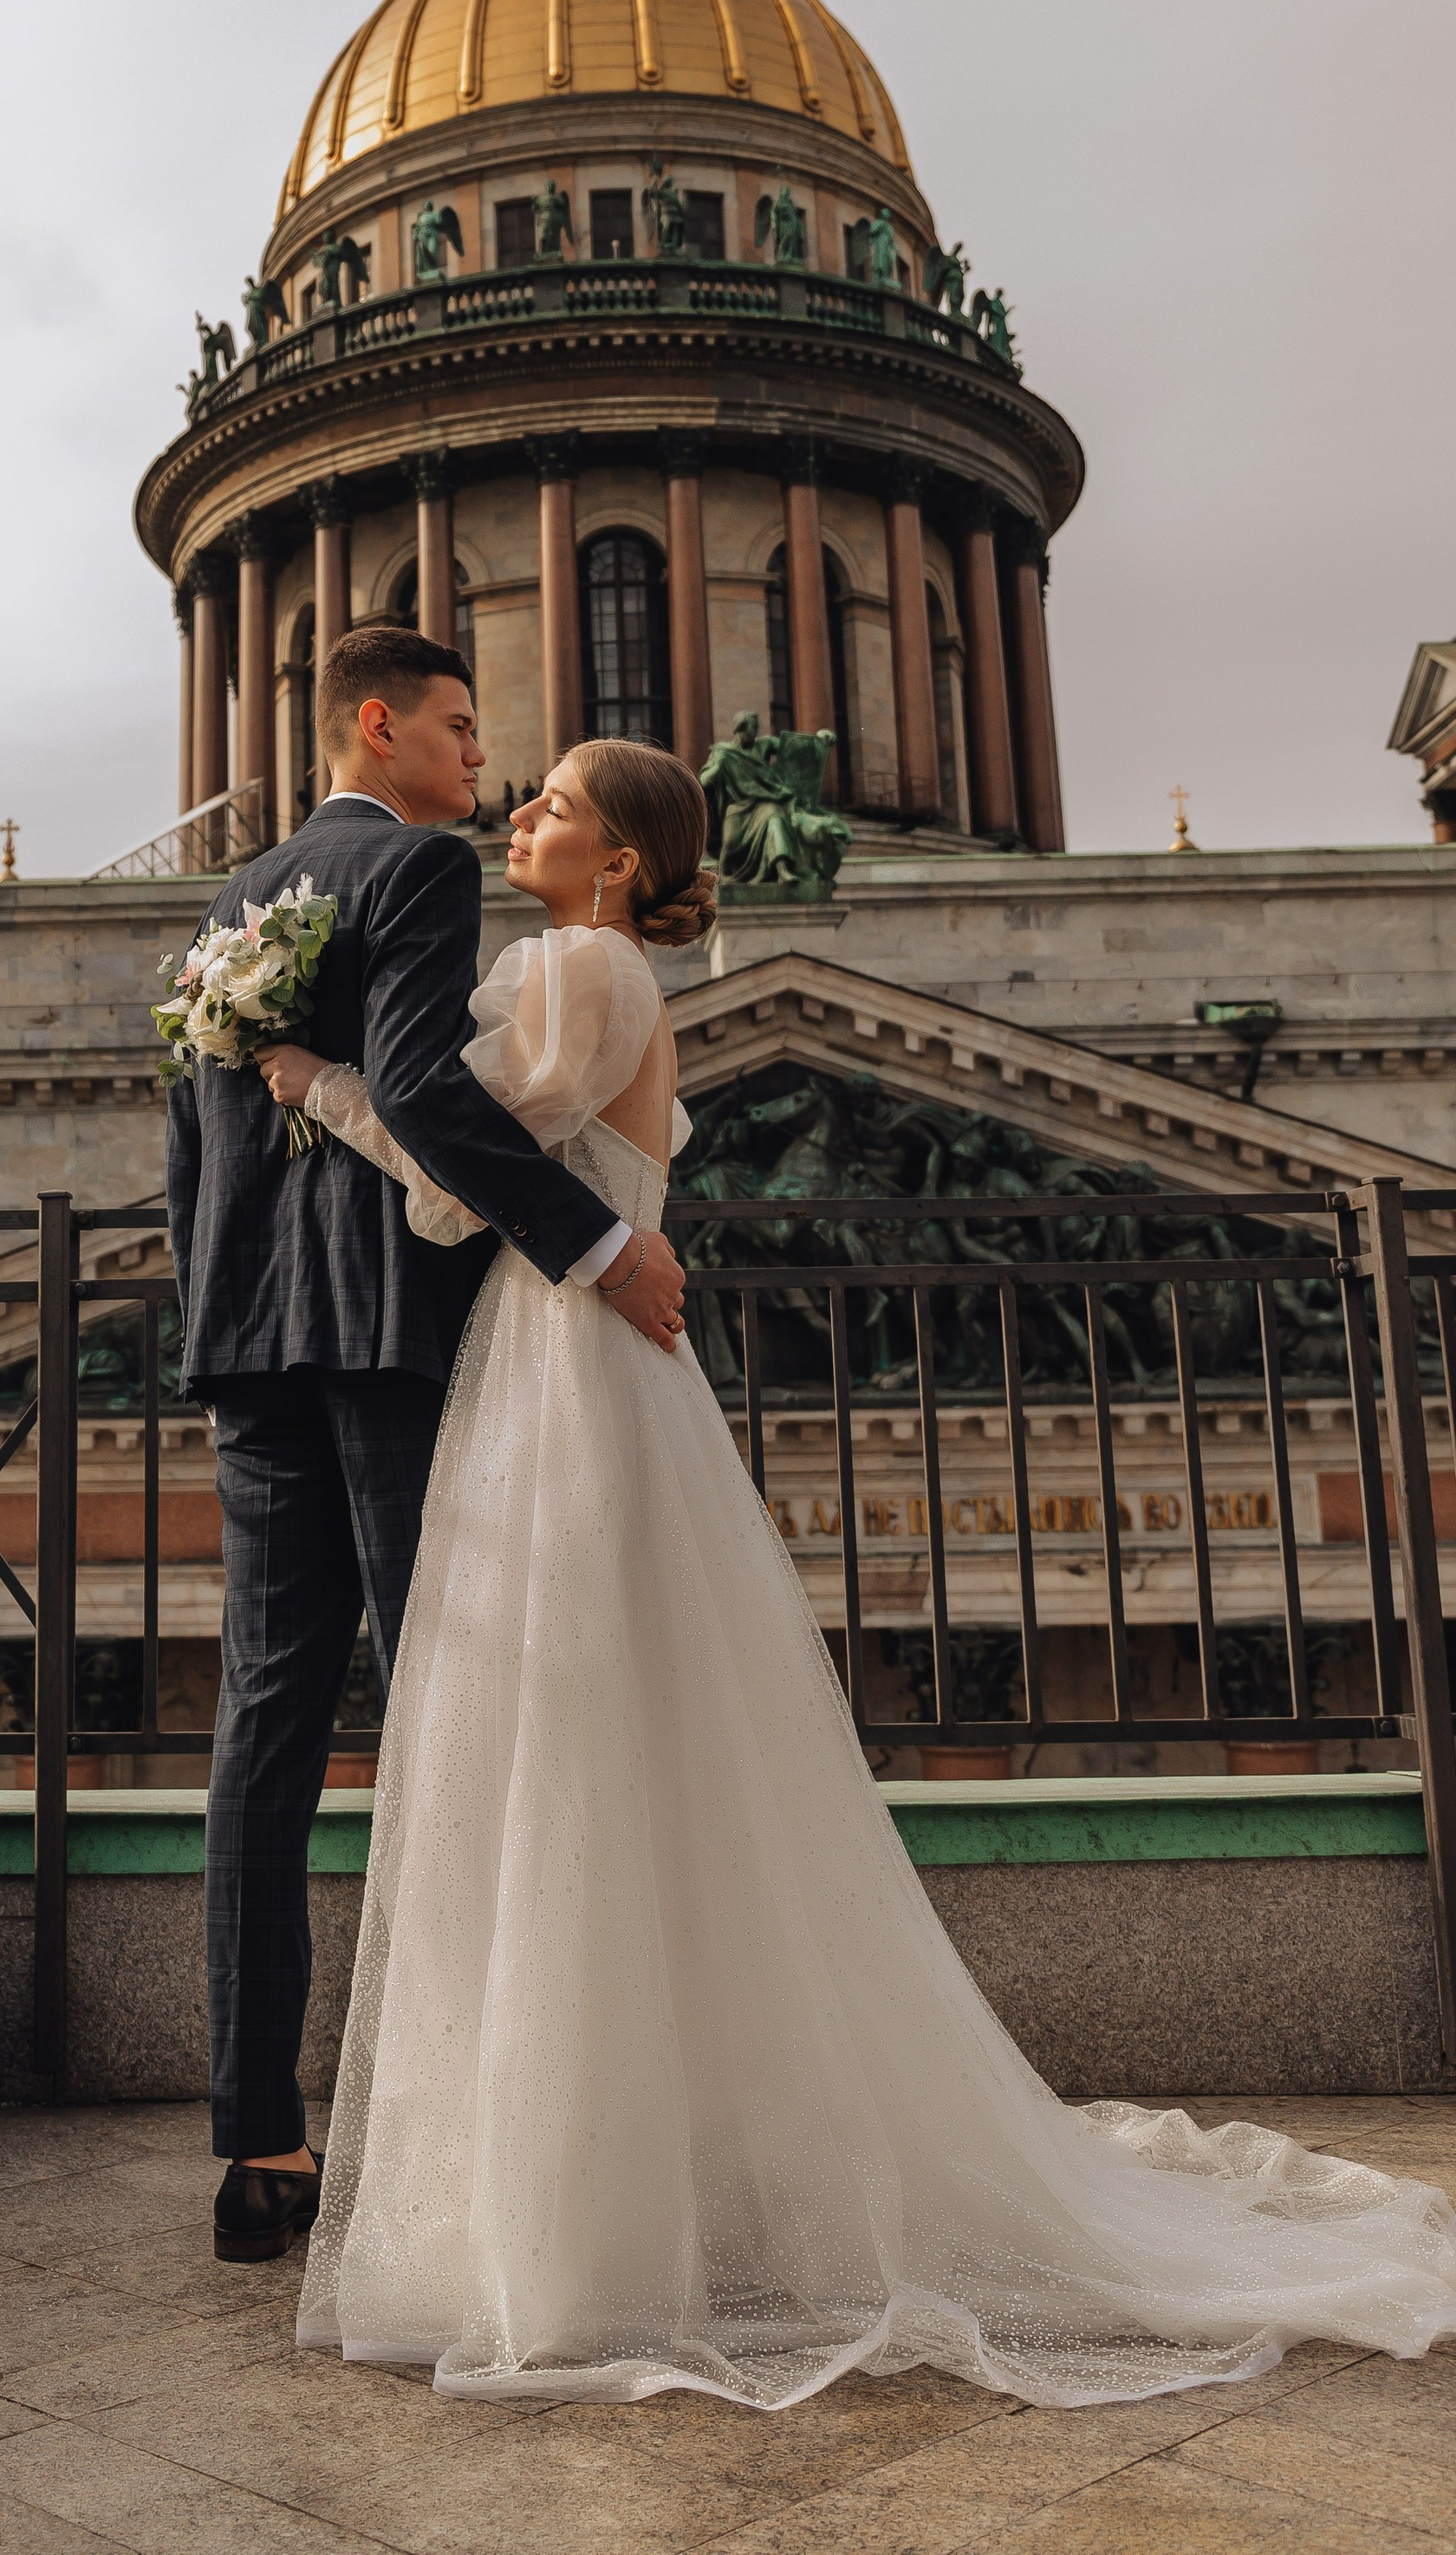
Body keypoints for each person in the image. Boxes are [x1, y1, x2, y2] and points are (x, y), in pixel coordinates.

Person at [254, 737, 1456, 2405]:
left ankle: (577, 2216)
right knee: (585, 1755)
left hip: (570, 1379)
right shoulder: (575, 963)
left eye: (555, 805)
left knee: (567, 1754)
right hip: (564, 1364)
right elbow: (485, 1172)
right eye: (522, 791)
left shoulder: (582, 964)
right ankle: (603, 2191)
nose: (518, 808)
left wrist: (320, 1085)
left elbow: (462, 1169)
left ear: (619, 857)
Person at [166, 627, 687, 2269]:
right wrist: (600, 1249)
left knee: (266, 1733)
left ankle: (261, 2145)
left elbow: (197, 1152)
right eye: (464, 730)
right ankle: (447, 2136)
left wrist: (220, 1321)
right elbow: (426, 1098)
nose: (486, 763)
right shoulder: (420, 875)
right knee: (454, 1722)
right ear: (378, 729)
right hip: (398, 1340)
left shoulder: (227, 907)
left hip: (255, 1348)